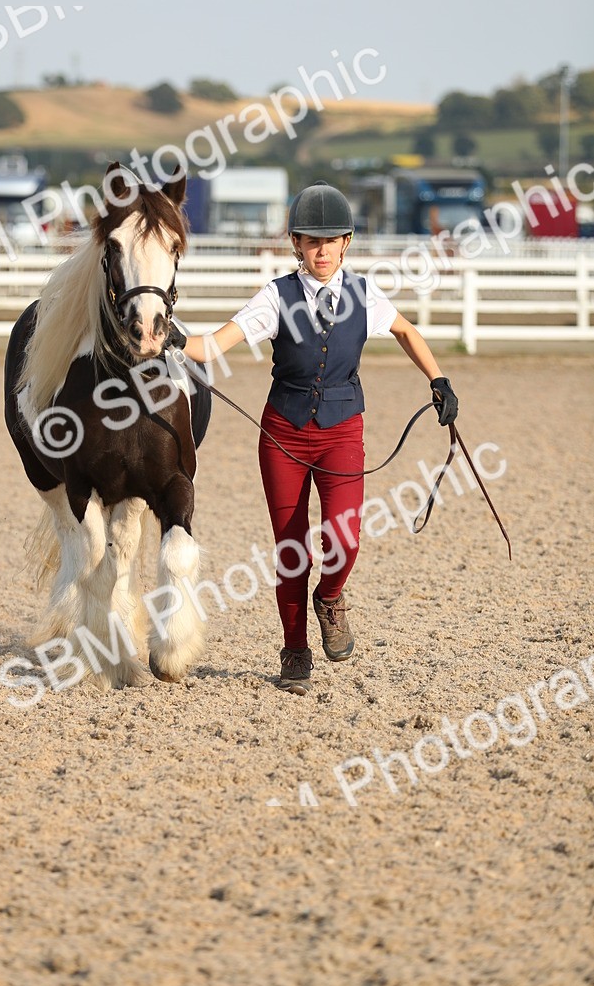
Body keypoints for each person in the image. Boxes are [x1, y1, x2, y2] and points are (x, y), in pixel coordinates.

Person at [169, 181, 458, 695]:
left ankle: (330, 597)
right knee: (291, 548)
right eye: (310, 241)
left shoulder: (364, 294)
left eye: (329, 241)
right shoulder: (275, 297)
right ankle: (295, 649)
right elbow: (213, 346)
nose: (320, 251)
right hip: (283, 432)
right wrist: (170, 337)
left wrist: (438, 380)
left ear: (346, 243)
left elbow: (407, 332)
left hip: (342, 431)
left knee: (345, 539)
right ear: (296, 244)